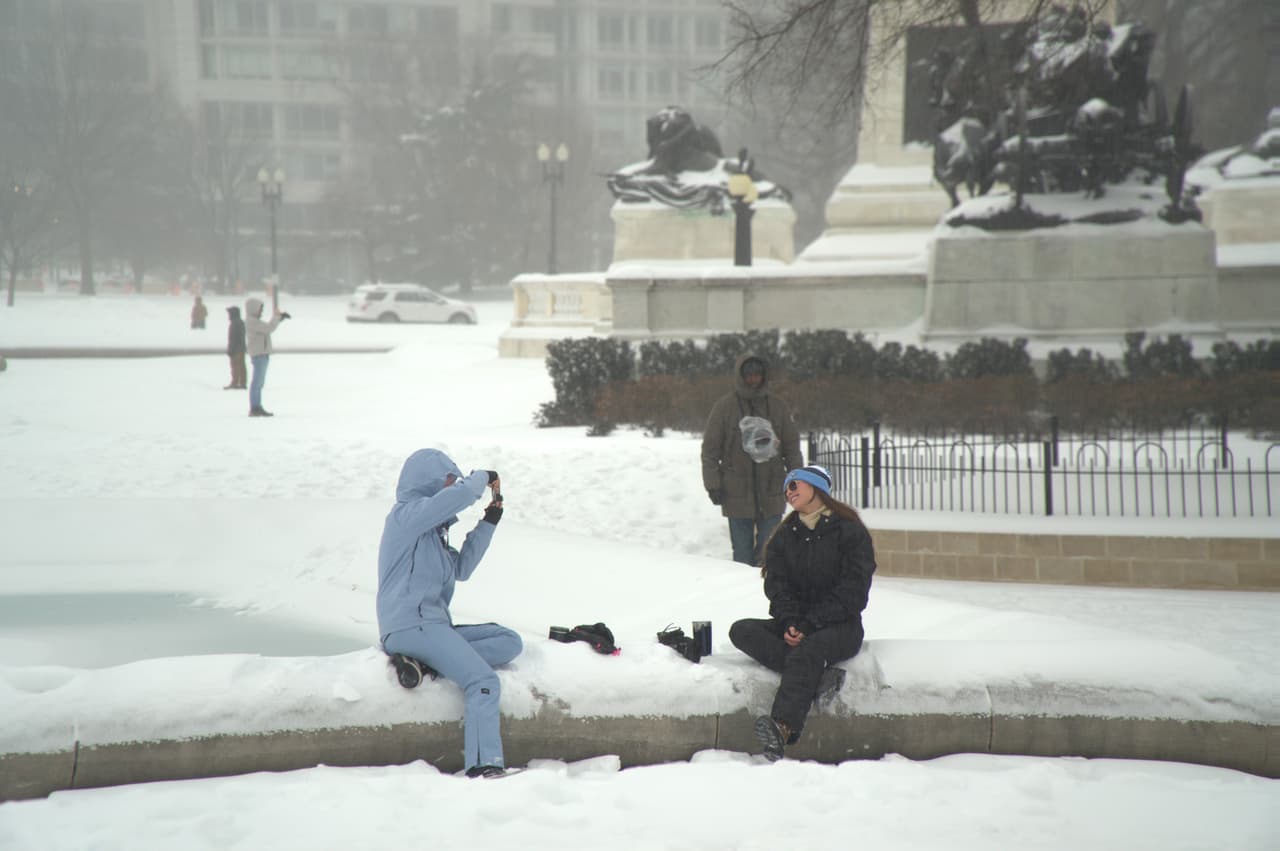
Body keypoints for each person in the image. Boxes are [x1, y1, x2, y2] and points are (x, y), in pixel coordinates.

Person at [376, 449, 522, 778]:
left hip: (433, 628)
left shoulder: (433, 534)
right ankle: (484, 765)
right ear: (426, 481)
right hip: (411, 624)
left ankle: (427, 662)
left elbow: (463, 569)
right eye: (447, 479)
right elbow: (466, 492)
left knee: (509, 641)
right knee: (483, 681)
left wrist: (489, 522)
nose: (451, 485)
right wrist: (483, 476)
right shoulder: (405, 517)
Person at [728, 464, 876, 762]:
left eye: (794, 485)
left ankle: (783, 727)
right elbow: (777, 586)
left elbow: (854, 592)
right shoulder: (785, 535)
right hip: (800, 626)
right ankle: (817, 675)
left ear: (816, 487)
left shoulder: (849, 531)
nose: (789, 492)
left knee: (809, 650)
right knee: (742, 630)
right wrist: (790, 622)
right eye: (786, 489)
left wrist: (811, 623)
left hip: (840, 627)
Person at [701, 353, 802, 564]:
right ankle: (743, 595)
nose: (753, 379)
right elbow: (710, 451)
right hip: (736, 494)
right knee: (742, 556)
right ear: (741, 376)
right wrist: (713, 485)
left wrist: (796, 480)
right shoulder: (724, 408)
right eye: (749, 375)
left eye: (757, 374)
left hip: (772, 491)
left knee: (768, 553)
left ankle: (763, 594)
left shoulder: (777, 407)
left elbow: (791, 447)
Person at [244, 296, 288, 417]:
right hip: (259, 355)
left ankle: (257, 406)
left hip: (262, 354)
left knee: (259, 382)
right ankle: (255, 407)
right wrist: (277, 317)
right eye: (259, 309)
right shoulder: (252, 321)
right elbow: (269, 328)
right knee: (257, 383)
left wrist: (279, 318)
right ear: (253, 309)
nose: (261, 312)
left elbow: (268, 327)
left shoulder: (253, 321)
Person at [224, 305, 247, 390]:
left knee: (235, 366)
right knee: (241, 366)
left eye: (229, 313)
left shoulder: (234, 323)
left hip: (236, 349)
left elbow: (233, 338)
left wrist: (231, 350)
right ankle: (242, 383)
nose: (228, 315)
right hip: (241, 349)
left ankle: (235, 383)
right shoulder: (240, 322)